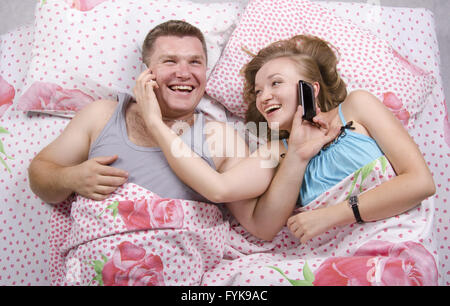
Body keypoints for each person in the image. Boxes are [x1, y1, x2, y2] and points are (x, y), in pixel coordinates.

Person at [140, 34, 436, 242]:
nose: (263, 96)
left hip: (391, 237)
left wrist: (332, 215)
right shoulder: (276, 151)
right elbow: (231, 201)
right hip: (327, 253)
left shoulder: (358, 106)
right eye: (257, 92)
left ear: (311, 89)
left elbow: (420, 182)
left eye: (275, 83)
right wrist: (156, 124)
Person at [27, 20, 272, 212]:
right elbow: (39, 173)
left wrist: (292, 151)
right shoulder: (102, 115)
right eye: (170, 61)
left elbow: (257, 220)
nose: (184, 72)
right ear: (147, 73)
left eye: (195, 62)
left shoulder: (222, 137)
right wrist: (70, 178)